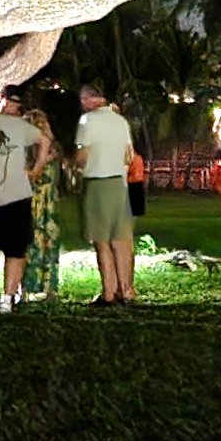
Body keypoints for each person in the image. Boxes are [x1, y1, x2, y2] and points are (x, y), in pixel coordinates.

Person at [0, 84, 52, 313]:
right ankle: (7, 297)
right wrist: (36, 168)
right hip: (19, 195)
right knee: (15, 250)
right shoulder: (18, 125)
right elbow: (44, 141)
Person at [73, 81, 135, 306]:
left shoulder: (87, 121)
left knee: (102, 240)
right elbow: (129, 155)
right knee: (121, 239)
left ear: (87, 99)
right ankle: (126, 290)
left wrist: (73, 165)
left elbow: (83, 156)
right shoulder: (120, 121)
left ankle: (109, 292)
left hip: (97, 182)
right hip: (119, 182)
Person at [22, 107, 63, 300]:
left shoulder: (32, 151)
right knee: (49, 241)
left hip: (35, 199)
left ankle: (30, 285)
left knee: (32, 242)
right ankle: (49, 285)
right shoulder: (54, 149)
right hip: (50, 202)